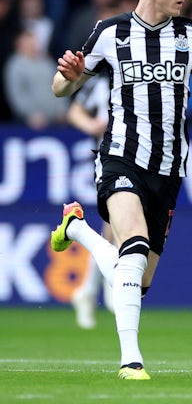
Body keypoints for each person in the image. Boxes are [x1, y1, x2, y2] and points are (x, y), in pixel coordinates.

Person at [50, 0, 192, 380]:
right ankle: (131, 360)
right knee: (134, 246)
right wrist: (68, 78)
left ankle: (78, 230)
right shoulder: (110, 32)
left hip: (169, 171)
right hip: (120, 157)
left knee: (138, 282)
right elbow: (60, 88)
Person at [66, 73, 117, 329]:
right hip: (109, 159)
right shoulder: (99, 83)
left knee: (114, 230)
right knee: (114, 224)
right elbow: (75, 111)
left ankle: (88, 290)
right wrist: (92, 126)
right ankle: (111, 285)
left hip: (139, 160)